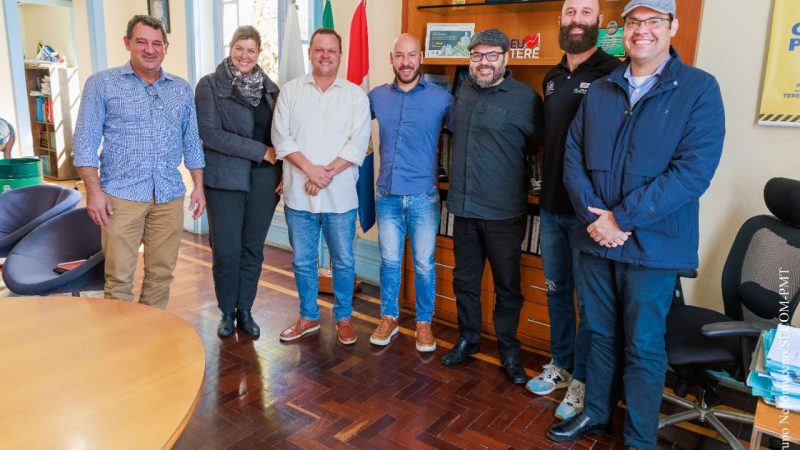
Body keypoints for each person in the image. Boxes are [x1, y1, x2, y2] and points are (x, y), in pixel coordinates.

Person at [547, 0, 725, 447]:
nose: (641, 29)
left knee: (644, 346)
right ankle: (596, 413)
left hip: (653, 246)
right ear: (622, 30)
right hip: (595, 239)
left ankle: (639, 439)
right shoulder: (602, 88)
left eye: (653, 21)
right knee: (599, 334)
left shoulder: (699, 89)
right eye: (633, 22)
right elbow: (573, 158)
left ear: (672, 27)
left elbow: (692, 173)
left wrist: (621, 219)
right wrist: (597, 219)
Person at [525, 0, 621, 421]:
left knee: (590, 304)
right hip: (551, 208)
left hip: (591, 214)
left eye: (585, 12)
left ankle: (584, 380)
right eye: (570, 12)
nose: (577, 20)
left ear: (599, 21)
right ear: (560, 19)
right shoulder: (551, 77)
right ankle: (561, 365)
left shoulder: (613, 73)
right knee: (557, 291)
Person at [73, 15, 205, 309]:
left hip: (169, 195)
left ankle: (150, 334)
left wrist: (198, 185)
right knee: (119, 280)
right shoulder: (102, 84)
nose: (150, 49)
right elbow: (84, 143)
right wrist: (94, 192)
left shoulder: (181, 89)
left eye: (157, 43)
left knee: (161, 276)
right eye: (142, 42)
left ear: (166, 47)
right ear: (127, 43)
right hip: (120, 197)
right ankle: (122, 337)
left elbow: (192, 141)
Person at [440, 28, 543, 384]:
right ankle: (468, 338)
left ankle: (509, 350)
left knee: (507, 287)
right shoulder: (464, 92)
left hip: (503, 213)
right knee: (465, 281)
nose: (483, 62)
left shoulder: (525, 98)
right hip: (465, 209)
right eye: (477, 55)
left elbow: (541, 145)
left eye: (491, 55)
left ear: (505, 58)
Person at [272, 28, 371, 345]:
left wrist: (324, 174)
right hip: (299, 195)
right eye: (319, 49)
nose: (325, 55)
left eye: (331, 50)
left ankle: (343, 317)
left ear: (340, 55)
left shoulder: (355, 95)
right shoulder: (290, 91)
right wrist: (310, 170)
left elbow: (358, 144)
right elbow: (281, 138)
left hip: (340, 196)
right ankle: (309, 316)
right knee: (303, 261)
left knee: (343, 261)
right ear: (310, 53)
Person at [195, 26, 282, 339]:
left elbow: (283, 135)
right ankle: (227, 311)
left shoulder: (271, 89)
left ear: (259, 53)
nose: (244, 55)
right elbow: (211, 134)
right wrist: (261, 151)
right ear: (230, 47)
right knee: (226, 251)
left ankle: (245, 309)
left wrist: (285, 170)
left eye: (251, 50)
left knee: (252, 250)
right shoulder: (209, 85)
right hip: (225, 180)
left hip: (264, 181)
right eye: (239, 48)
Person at [367, 33, 453, 351]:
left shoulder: (442, 99)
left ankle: (423, 323)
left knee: (424, 264)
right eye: (400, 56)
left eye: (412, 55)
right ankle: (389, 317)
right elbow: (347, 127)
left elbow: (466, 136)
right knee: (389, 261)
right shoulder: (376, 97)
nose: (406, 62)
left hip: (423, 197)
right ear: (391, 59)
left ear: (421, 58)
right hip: (387, 195)